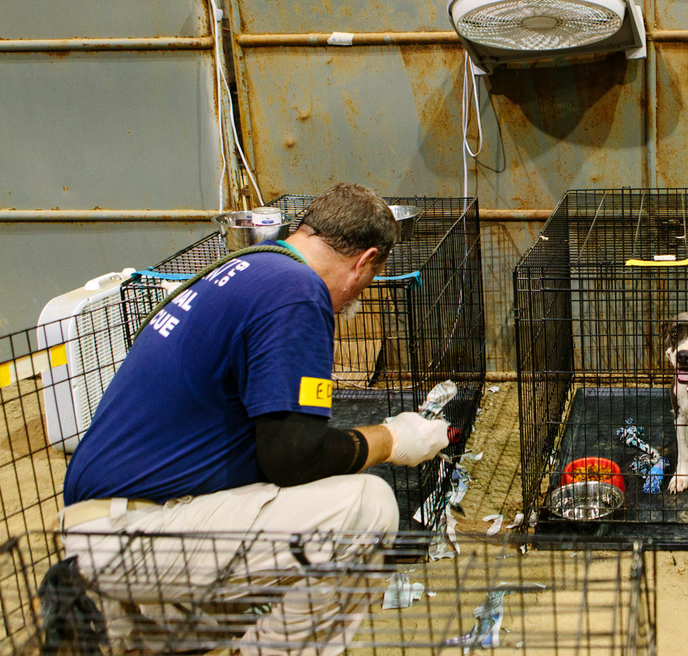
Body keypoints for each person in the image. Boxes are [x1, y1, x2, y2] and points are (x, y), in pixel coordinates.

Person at [60, 183, 449, 654]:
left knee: (276, 555)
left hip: (99, 526)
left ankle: (128, 631)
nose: (356, 299)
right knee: (365, 508)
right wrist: (392, 439)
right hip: (133, 538)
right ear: (365, 262)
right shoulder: (298, 291)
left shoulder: (246, 268)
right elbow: (292, 457)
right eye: (367, 281)